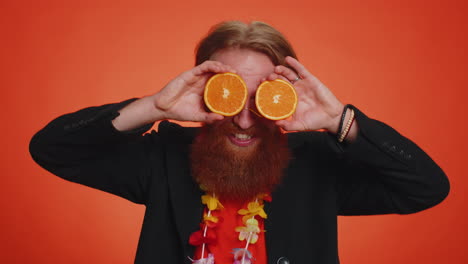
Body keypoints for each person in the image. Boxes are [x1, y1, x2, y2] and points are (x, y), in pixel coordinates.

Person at [29, 21, 449, 264]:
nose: (245, 120)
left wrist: (340, 120)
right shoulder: (163, 158)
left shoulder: (319, 163)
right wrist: (155, 106)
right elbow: (52, 148)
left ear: (283, 95)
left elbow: (427, 187)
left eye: (260, 99)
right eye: (230, 95)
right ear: (205, 90)